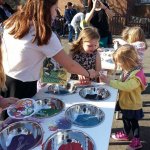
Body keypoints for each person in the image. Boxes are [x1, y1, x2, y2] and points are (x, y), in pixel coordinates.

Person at [1, 0, 97, 99]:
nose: (56, 14)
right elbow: (70, 65)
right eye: (55, 9)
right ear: (46, 8)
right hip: (24, 87)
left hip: (6, 81)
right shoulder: (43, 34)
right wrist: (88, 73)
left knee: (7, 113)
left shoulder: (12, 23)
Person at [100, 44, 147, 150]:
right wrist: (111, 80)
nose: (118, 64)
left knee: (134, 123)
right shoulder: (128, 70)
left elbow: (127, 86)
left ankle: (137, 140)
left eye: (119, 62)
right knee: (126, 120)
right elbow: (122, 81)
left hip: (132, 105)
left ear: (127, 61)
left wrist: (110, 82)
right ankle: (125, 133)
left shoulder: (136, 75)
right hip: (125, 103)